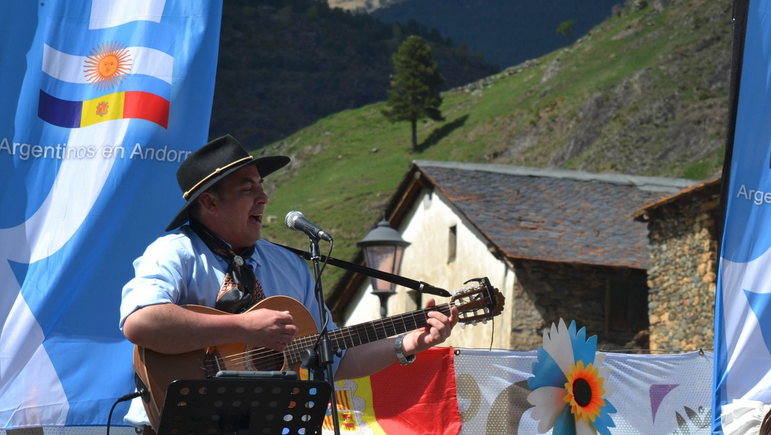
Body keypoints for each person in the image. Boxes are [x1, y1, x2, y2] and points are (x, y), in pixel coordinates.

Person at [119, 135, 459, 432]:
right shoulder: (174, 253)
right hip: (176, 427)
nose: (263, 198)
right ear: (209, 202)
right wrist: (243, 327)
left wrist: (407, 343)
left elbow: (335, 358)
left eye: (262, 186)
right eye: (247, 189)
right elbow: (141, 322)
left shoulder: (289, 266)